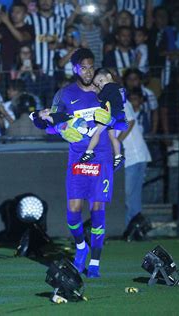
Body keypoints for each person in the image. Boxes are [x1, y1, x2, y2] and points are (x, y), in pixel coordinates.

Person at [31, 48, 126, 278]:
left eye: (91, 67)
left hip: (101, 157)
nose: (88, 71)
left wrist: (113, 120)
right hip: (77, 158)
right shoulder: (64, 94)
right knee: (73, 213)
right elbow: (52, 124)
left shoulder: (103, 91)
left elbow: (121, 121)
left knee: (97, 210)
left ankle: (94, 262)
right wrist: (42, 119)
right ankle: (81, 247)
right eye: (83, 67)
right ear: (74, 68)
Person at [79, 68, 127, 171]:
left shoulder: (109, 86)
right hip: (119, 114)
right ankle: (118, 155)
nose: (100, 85)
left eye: (101, 81)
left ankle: (89, 152)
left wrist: (95, 91)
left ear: (109, 77)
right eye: (98, 85)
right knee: (113, 137)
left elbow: (100, 97)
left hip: (110, 114)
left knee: (96, 132)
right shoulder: (120, 88)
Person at [117, 87, 151, 227]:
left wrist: (116, 143)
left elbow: (130, 122)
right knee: (133, 198)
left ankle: (130, 229)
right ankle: (134, 230)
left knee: (128, 196)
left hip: (134, 155)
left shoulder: (120, 101)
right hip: (133, 156)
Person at [0, 1, 34, 71]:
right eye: (13, 12)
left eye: (18, 12)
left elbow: (21, 39)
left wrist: (7, 22)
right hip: (6, 68)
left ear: (25, 15)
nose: (14, 14)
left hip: (22, 68)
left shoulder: (29, 28)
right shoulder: (6, 28)